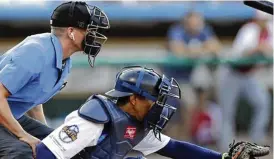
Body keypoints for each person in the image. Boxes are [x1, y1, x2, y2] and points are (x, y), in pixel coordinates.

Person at [36, 66, 270, 159]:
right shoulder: (95, 119)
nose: (160, 106)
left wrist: (222, 158)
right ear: (135, 99)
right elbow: (45, 153)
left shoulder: (136, 122)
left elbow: (175, 148)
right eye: (154, 100)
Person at [0, 1, 110, 158]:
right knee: (21, 152)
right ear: (71, 31)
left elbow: (34, 101)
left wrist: (49, 140)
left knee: (64, 146)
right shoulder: (36, 51)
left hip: (10, 115)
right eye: (89, 30)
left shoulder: (65, 59)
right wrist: (23, 135)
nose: (94, 36)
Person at [217, 10, 272, 151]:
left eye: (266, 19)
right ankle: (226, 147)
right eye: (261, 19)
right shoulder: (248, 29)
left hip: (249, 75)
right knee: (228, 112)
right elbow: (241, 53)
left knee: (262, 103)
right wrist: (258, 48)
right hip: (231, 72)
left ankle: (256, 141)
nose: (263, 22)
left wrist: (265, 49)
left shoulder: (270, 29)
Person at [166, 10, 222, 140]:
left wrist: (194, 50)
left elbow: (216, 47)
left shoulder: (204, 29)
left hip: (193, 77)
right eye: (192, 23)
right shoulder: (177, 30)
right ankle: (186, 139)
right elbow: (177, 50)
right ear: (186, 23)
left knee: (203, 101)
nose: (195, 26)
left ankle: (193, 137)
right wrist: (200, 49)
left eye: (198, 23)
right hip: (176, 78)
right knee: (189, 104)